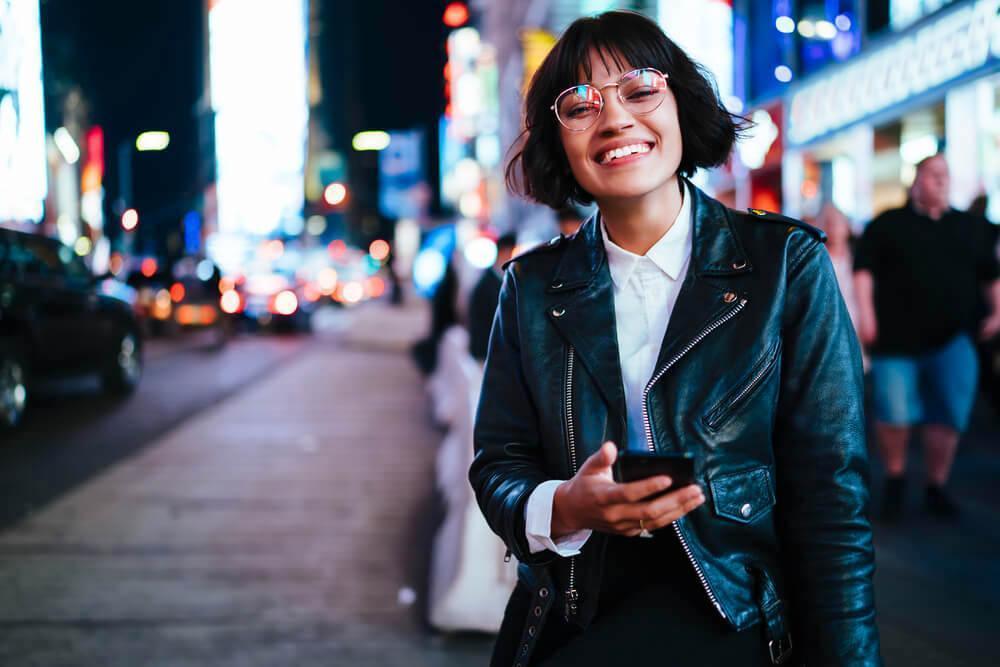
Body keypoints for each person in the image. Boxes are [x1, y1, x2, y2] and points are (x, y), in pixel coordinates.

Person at [470, 11, 879, 667]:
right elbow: (499, 466)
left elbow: (833, 502)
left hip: (735, 612)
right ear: (561, 141)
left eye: (639, 90)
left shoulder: (784, 267)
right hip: (576, 613)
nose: (615, 120)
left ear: (682, 105)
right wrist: (567, 504)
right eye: (580, 106)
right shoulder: (529, 288)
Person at [854, 155, 1000, 521]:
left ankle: (937, 484)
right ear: (915, 180)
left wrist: (998, 312)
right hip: (895, 341)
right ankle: (896, 477)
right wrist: (866, 317)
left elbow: (990, 275)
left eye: (945, 175)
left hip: (954, 339)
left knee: (949, 415)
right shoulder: (888, 224)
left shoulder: (970, 226)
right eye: (932, 174)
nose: (940, 180)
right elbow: (863, 273)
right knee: (895, 413)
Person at [468, 233, 518, 362]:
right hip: (487, 352)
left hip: (496, 351)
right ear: (504, 251)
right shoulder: (486, 284)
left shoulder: (502, 279)